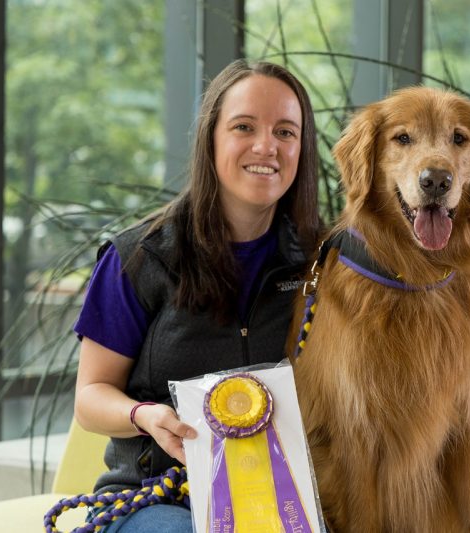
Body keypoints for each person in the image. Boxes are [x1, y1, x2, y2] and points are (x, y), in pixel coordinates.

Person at [73, 59, 320, 532]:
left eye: (286, 132)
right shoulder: (137, 256)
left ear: (301, 149)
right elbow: (89, 398)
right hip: (152, 499)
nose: (266, 146)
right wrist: (144, 416)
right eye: (244, 127)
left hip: (283, 505)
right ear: (211, 139)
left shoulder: (321, 263)